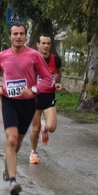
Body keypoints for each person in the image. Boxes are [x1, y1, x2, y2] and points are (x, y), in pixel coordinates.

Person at [0, 23, 54, 195]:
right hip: (9, 102)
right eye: (15, 34)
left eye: (22, 34)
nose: (18, 37)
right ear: (9, 36)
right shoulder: (2, 56)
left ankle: (7, 162)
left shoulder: (34, 56)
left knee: (17, 143)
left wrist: (33, 90)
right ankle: (13, 181)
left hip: (28, 104)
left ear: (26, 36)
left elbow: (48, 79)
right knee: (11, 140)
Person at [29, 34, 63, 164]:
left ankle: (45, 127)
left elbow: (58, 72)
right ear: (38, 44)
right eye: (43, 43)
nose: (46, 46)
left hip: (49, 97)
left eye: (48, 43)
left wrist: (57, 82)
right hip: (34, 97)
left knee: (51, 127)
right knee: (35, 129)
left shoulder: (56, 60)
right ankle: (34, 152)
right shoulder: (31, 59)